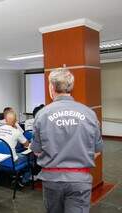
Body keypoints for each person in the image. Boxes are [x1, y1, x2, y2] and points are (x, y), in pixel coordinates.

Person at [31, 68, 103, 213]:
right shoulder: (89, 114)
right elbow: (97, 151)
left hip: (51, 180)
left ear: (52, 88)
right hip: (80, 180)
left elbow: (37, 151)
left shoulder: (41, 115)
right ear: (71, 87)